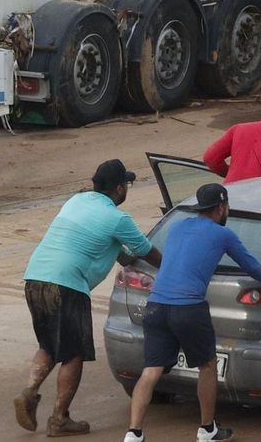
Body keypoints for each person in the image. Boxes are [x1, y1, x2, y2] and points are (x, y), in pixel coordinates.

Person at [124, 184, 261, 442]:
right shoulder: (224, 235)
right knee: (207, 365)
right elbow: (253, 268)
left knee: (151, 370)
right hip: (188, 308)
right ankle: (207, 429)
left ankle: (134, 433)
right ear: (222, 207)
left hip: (156, 306)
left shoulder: (177, 227)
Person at [19, 159, 161, 437]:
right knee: (73, 353)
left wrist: (124, 257)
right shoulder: (118, 218)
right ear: (119, 188)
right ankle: (59, 419)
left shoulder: (76, 201)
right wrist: (172, 268)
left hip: (36, 277)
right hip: (67, 285)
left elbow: (109, 246)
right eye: (127, 185)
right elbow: (148, 252)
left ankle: (29, 391)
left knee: (48, 344)